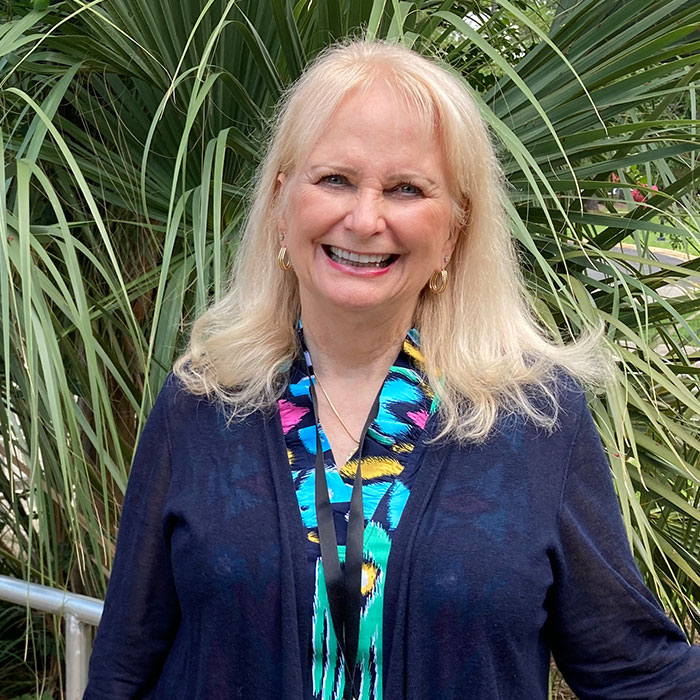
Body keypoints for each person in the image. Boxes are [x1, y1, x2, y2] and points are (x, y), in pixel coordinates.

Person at [83, 40, 700, 700]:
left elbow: (635, 669)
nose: (364, 218)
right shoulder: (202, 403)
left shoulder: (536, 417)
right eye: (335, 180)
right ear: (281, 202)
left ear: (455, 231)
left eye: (406, 189)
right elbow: (126, 665)